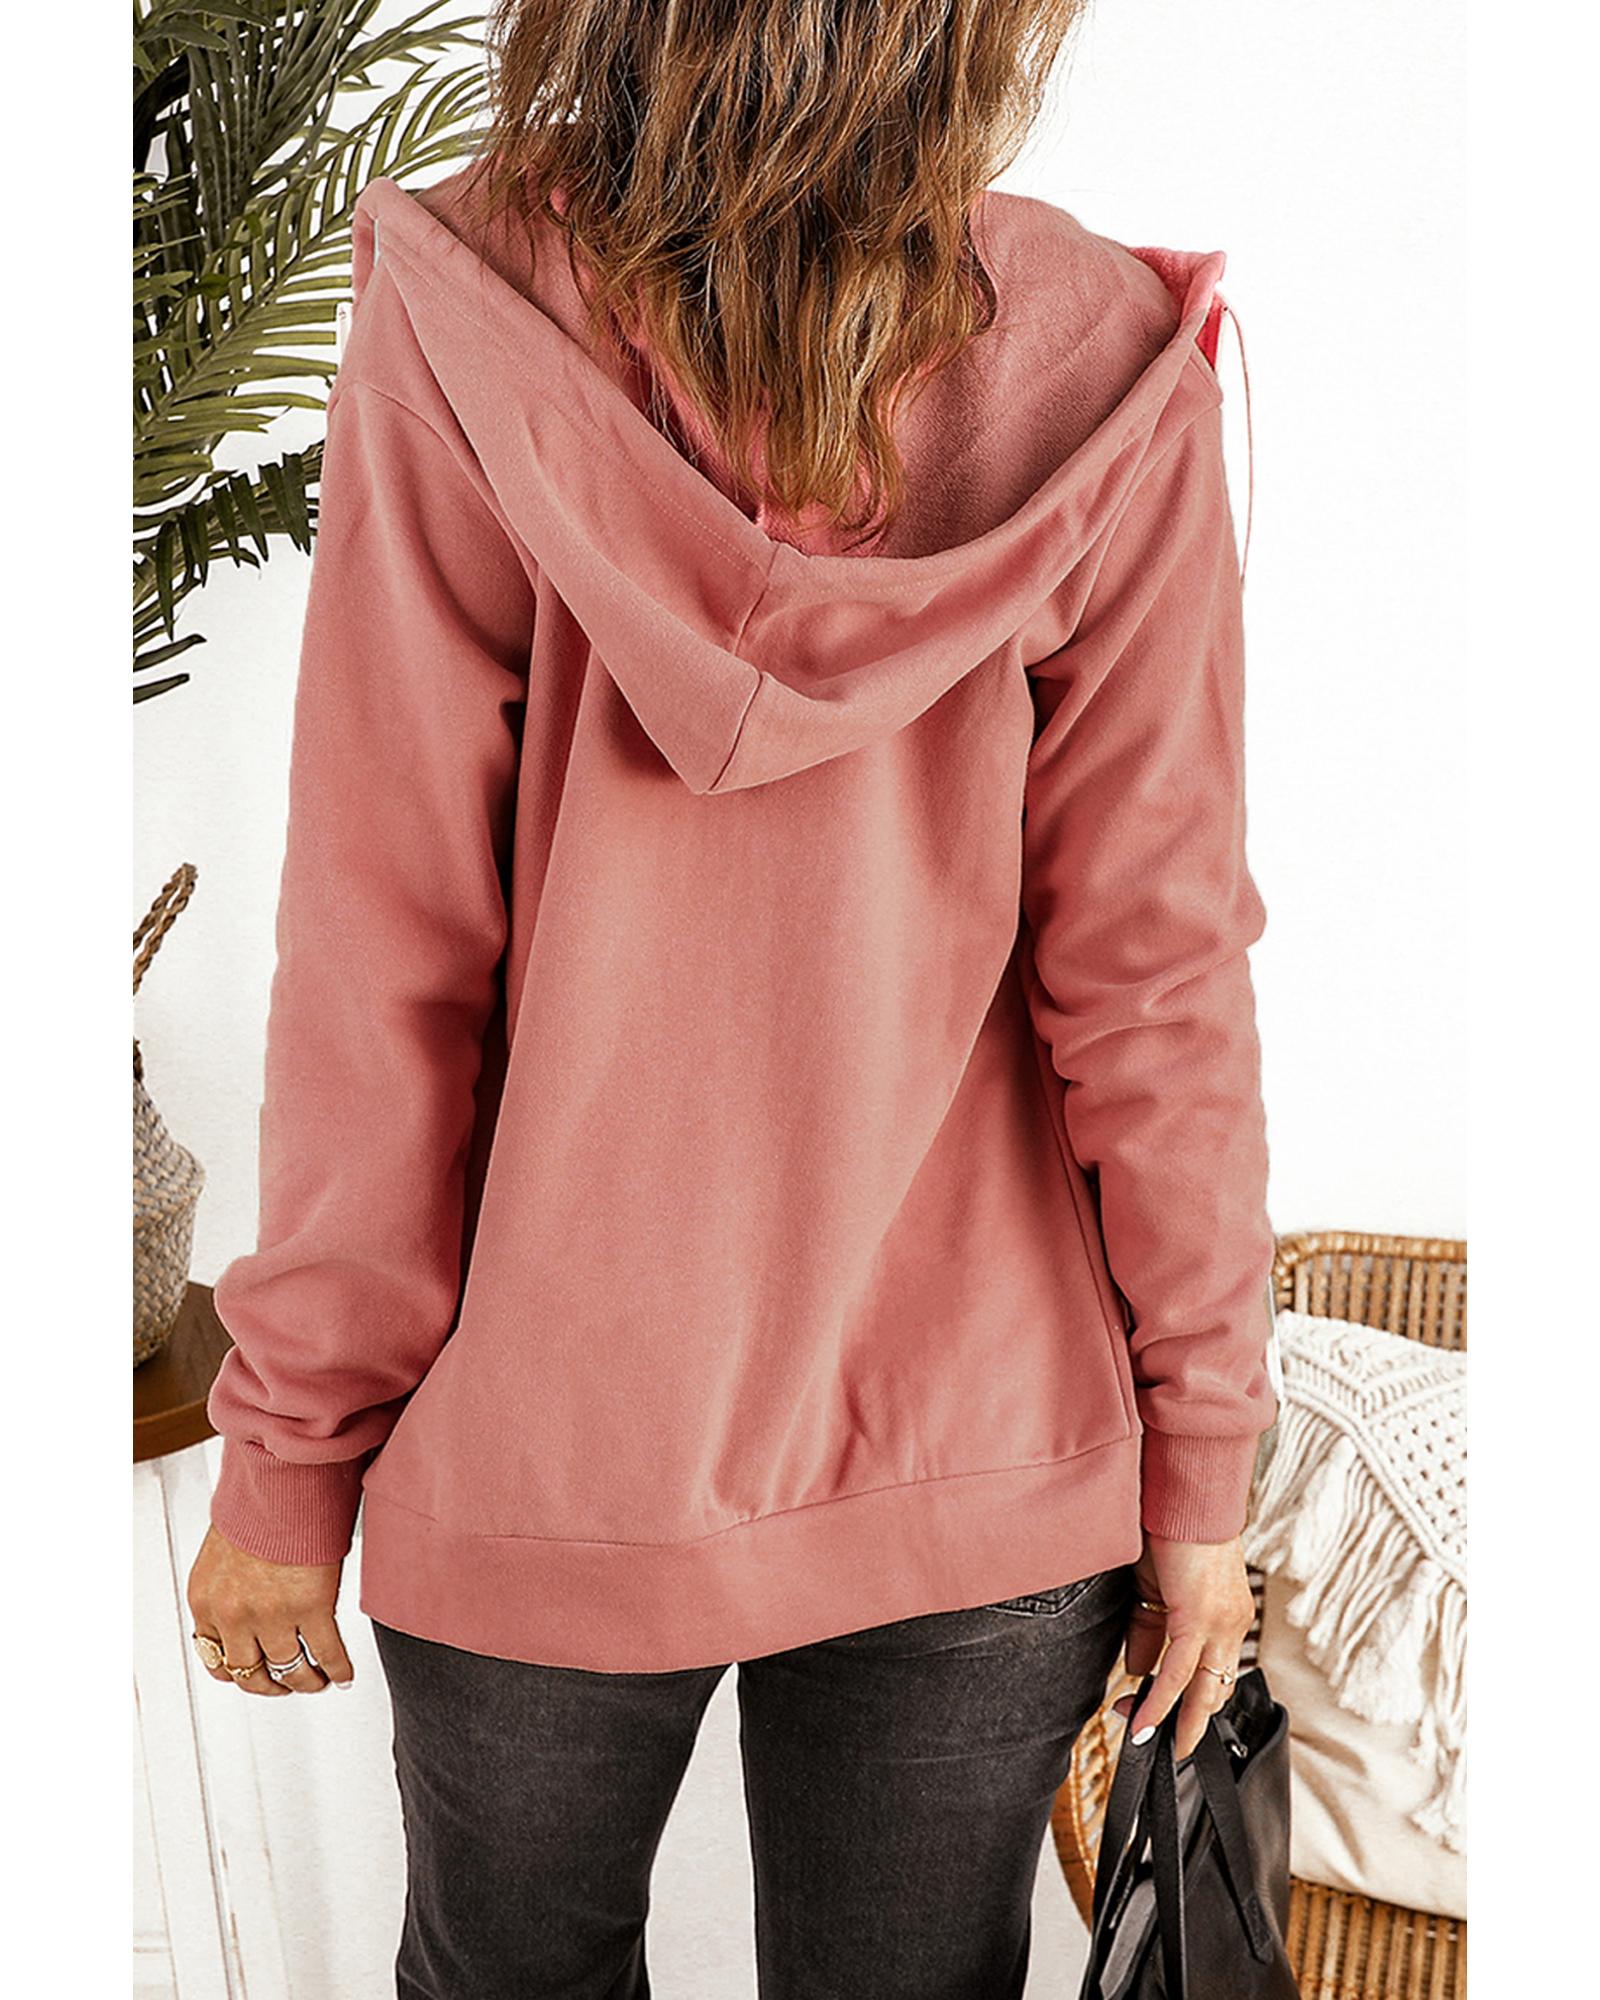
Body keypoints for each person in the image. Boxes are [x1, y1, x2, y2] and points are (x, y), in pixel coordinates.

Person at [187, 3, 1276, 1993]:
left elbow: (382, 952)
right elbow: (1156, 975)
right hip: (977, 1438)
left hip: (538, 1440)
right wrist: (1202, 1455)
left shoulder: (470, 311)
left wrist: (290, 1452)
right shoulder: (1100, 359)